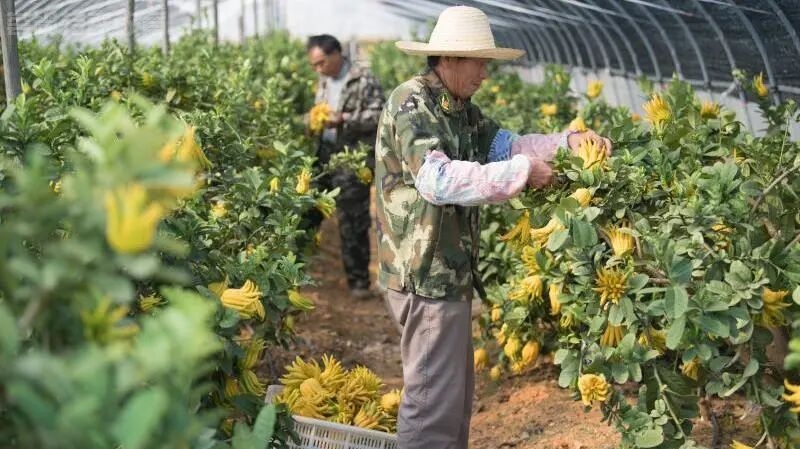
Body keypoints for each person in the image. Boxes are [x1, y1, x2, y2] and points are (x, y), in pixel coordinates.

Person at [374, 6, 612, 448]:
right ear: (450, 58)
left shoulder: (461, 109)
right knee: (431, 413)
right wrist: (523, 173)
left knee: (452, 403)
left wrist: (567, 142)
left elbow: (508, 146)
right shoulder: (413, 103)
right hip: (425, 276)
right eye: (480, 62)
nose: (486, 72)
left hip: (448, 274)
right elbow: (436, 180)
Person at [305, 34, 386, 300]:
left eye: (321, 62)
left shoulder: (363, 79)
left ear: (337, 54)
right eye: (314, 65)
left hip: (352, 160)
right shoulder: (324, 80)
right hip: (325, 155)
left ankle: (359, 283)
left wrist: (345, 119)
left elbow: (380, 114)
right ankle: (294, 272)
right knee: (307, 211)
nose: (318, 69)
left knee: (352, 221)